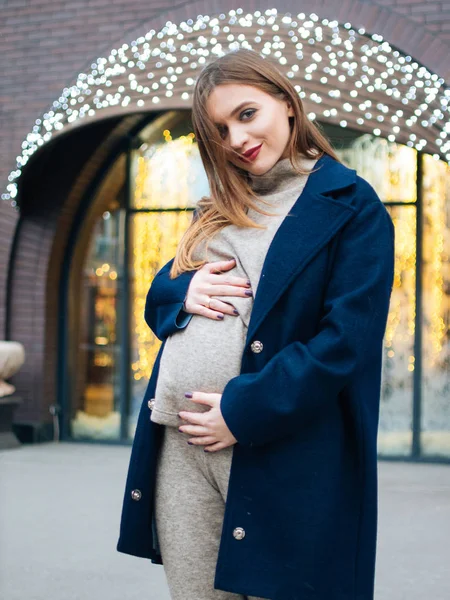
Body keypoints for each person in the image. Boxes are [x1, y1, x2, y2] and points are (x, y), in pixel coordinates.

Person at [117, 48, 395, 600]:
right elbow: (161, 299)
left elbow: (343, 345)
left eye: (247, 114)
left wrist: (242, 412)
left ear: (286, 104)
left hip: (277, 447)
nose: (237, 139)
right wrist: (181, 289)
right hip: (180, 444)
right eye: (219, 130)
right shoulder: (214, 209)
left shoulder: (353, 208)